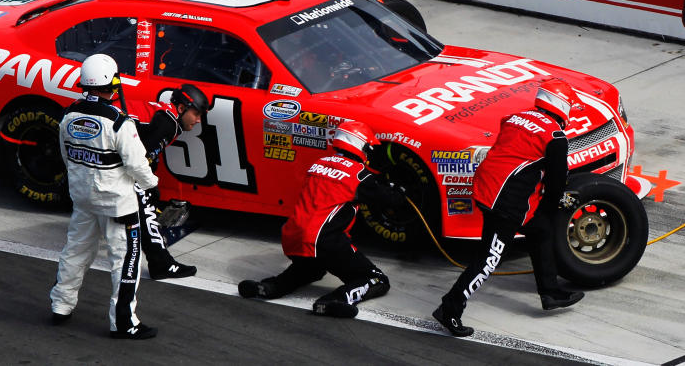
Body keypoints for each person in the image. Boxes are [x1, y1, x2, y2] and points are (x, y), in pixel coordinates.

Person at [433, 79, 585, 338]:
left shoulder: (515, 117)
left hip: (485, 186)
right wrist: (555, 204)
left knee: (540, 231)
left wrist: (545, 210)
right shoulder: (555, 137)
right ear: (561, 105)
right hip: (504, 200)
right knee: (489, 260)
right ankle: (450, 308)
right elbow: (556, 182)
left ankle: (550, 293)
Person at [50, 54, 160, 340]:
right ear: (112, 85)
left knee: (75, 252)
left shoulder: (67, 114)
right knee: (125, 261)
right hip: (117, 205)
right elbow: (137, 165)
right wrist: (152, 184)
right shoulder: (119, 122)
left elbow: (65, 156)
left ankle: (61, 305)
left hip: (83, 199)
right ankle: (123, 323)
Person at [237, 120, 396, 318]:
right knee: (378, 279)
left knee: (311, 270)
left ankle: (268, 287)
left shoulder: (317, 164)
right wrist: (395, 187)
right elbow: (391, 201)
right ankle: (334, 301)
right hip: (325, 240)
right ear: (361, 146)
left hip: (292, 236)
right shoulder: (359, 175)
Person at [130, 84, 209, 279]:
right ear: (181, 108)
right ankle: (160, 263)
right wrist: (150, 189)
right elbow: (141, 161)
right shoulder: (169, 123)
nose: (199, 120)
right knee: (145, 195)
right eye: (196, 113)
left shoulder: (166, 116)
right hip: (102, 151)